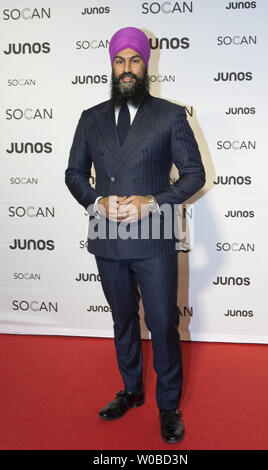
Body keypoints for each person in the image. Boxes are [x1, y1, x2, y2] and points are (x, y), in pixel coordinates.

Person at [65, 26, 205, 444]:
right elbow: (73, 173)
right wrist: (96, 201)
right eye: (119, 61)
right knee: (122, 319)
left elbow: (194, 174)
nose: (127, 69)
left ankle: (168, 405)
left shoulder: (169, 114)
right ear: (111, 66)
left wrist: (152, 201)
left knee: (162, 323)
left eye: (134, 60)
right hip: (105, 233)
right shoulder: (90, 118)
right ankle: (130, 389)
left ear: (147, 64)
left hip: (154, 233)